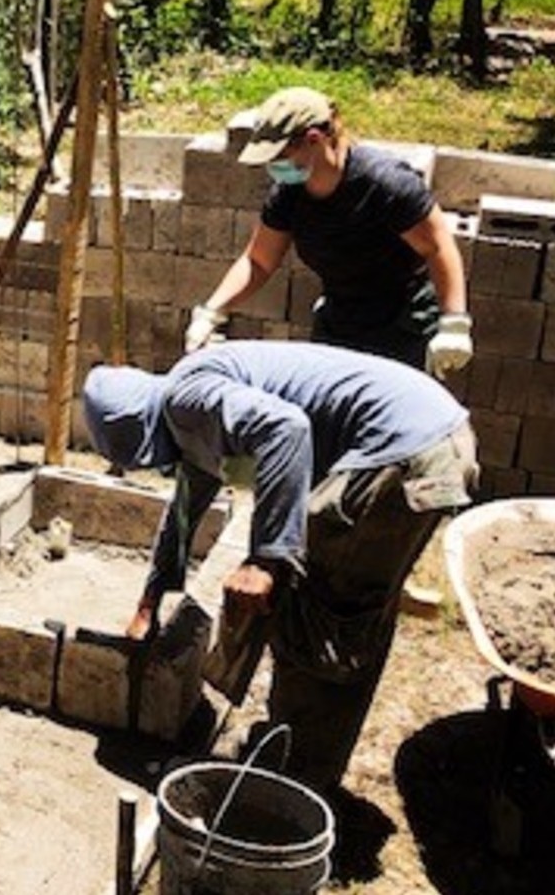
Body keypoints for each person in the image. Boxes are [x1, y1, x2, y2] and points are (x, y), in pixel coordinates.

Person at [82, 341, 477, 794]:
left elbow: (287, 429)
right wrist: (151, 601)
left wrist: (266, 559)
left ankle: (287, 790)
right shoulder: (193, 406)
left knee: (316, 622)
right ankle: (298, 767)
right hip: (432, 439)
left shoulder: (187, 400)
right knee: (349, 613)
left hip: (401, 452)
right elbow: (186, 510)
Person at [185, 87, 472, 377]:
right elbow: (258, 261)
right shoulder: (289, 195)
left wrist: (454, 323)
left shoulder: (385, 184)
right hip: (341, 317)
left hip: (401, 323)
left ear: (314, 139)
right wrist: (212, 311)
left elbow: (437, 247)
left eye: (280, 156)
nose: (274, 167)